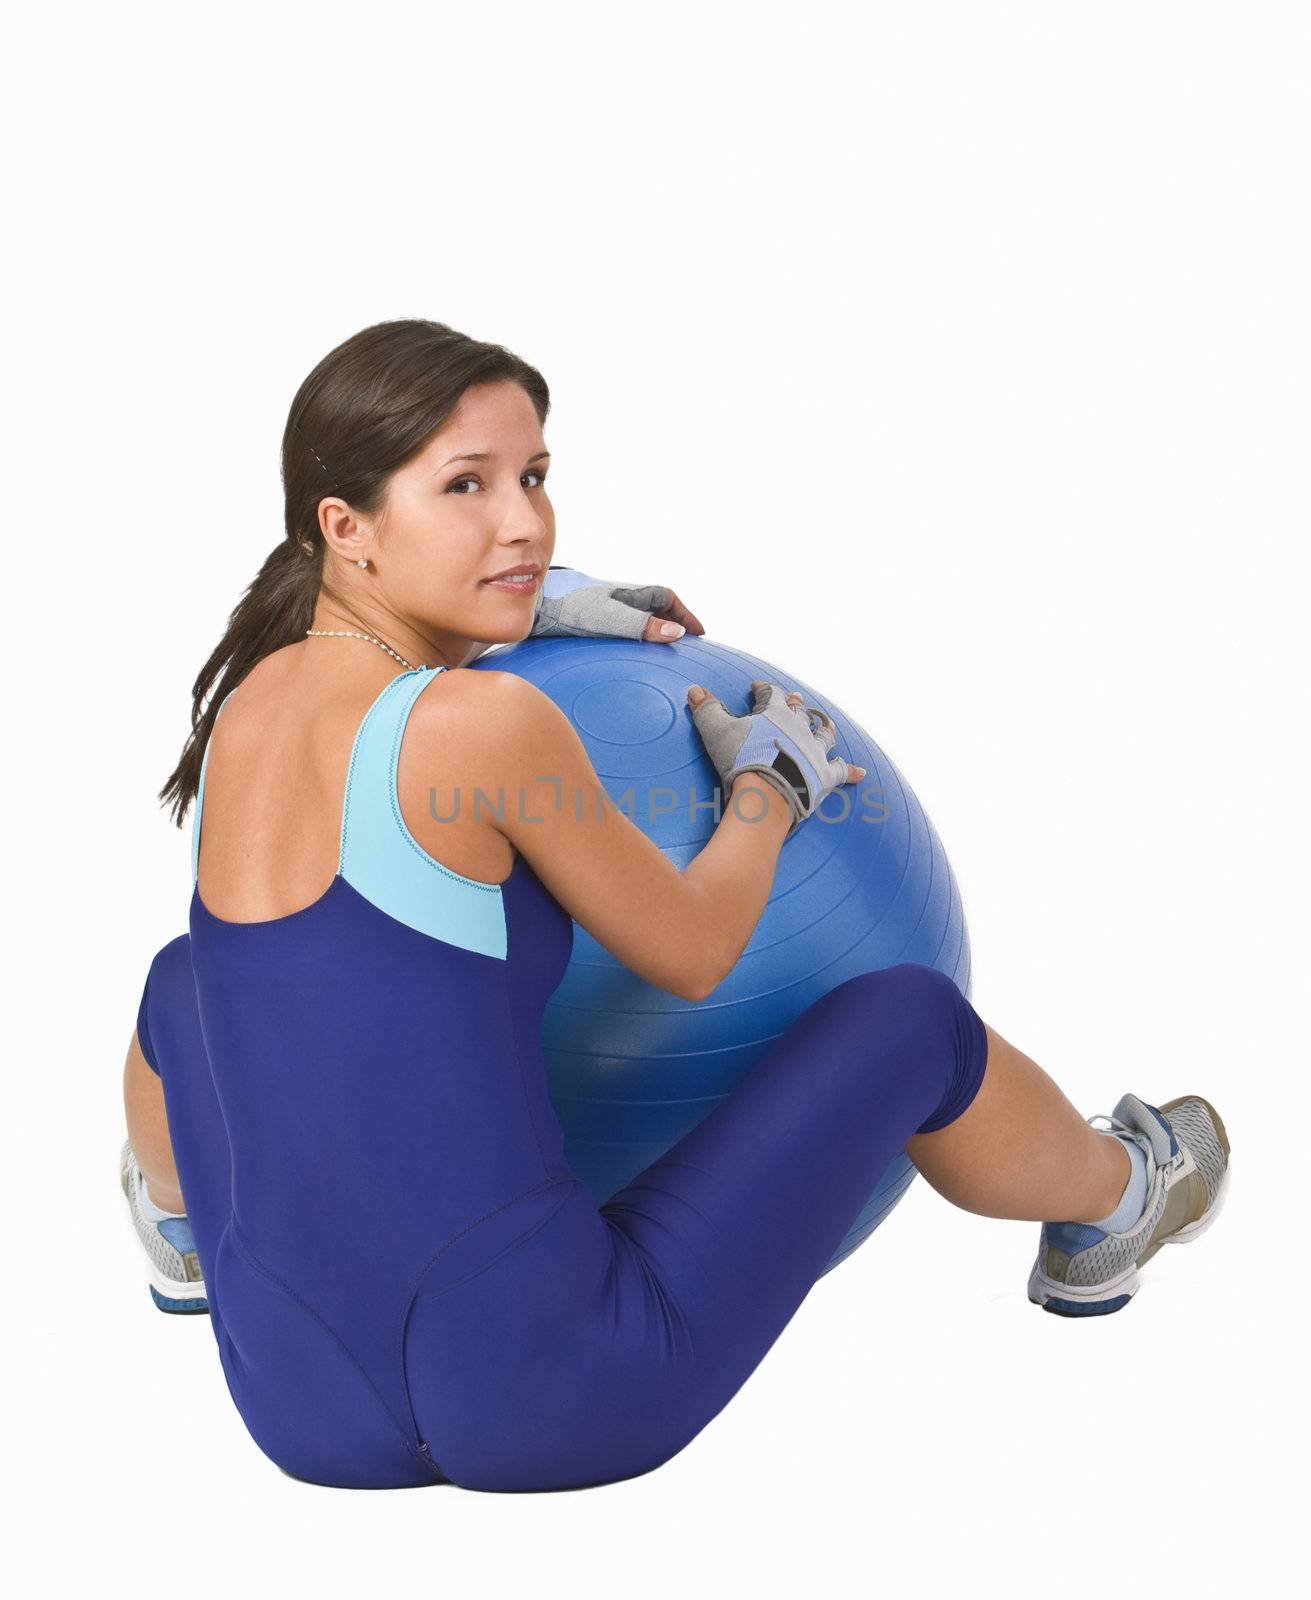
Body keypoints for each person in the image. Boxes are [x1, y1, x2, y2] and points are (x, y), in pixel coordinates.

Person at [120, 318, 1231, 1493]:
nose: (524, 522)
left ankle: (181, 1223)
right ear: (345, 530)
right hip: (558, 1393)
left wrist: (531, 604)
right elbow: (695, 954)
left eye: (534, 476)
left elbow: (362, 662)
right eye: (466, 486)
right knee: (913, 1019)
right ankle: (1123, 1195)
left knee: (188, 980)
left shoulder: (248, 704)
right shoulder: (484, 726)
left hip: (297, 1408)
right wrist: (769, 786)